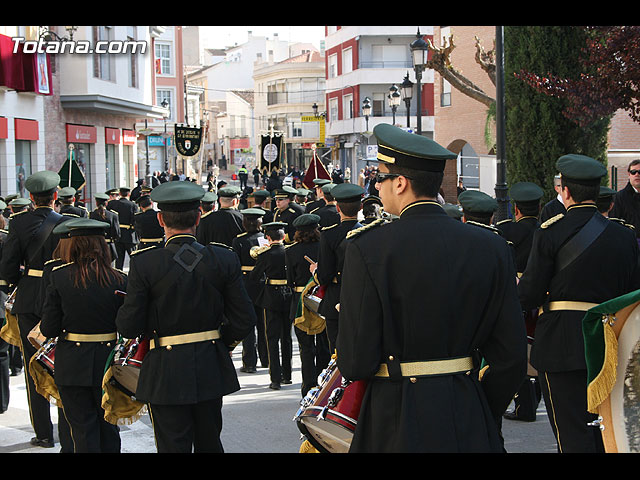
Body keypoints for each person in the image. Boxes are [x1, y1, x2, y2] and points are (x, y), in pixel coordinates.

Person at [336, 124, 527, 453]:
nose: (376, 188)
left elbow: (355, 362)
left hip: (394, 417)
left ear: (400, 182)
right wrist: (481, 407)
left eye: (379, 178)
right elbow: (510, 358)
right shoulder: (491, 246)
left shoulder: (367, 247)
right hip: (466, 409)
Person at [115, 180, 257, 453]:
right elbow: (244, 318)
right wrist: (219, 342)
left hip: (164, 369)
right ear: (199, 217)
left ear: (160, 219)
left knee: (172, 446)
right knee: (209, 443)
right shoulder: (223, 258)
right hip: (209, 362)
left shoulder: (145, 263)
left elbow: (129, 325)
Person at [518, 154, 640, 453]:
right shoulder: (624, 236)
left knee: (571, 432)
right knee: (609, 431)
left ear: (566, 192)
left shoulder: (549, 232)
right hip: (609, 343)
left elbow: (530, 296)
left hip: (560, 342)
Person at [39, 218, 126, 452]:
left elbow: (48, 328)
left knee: (81, 428)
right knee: (109, 426)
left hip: (72, 362)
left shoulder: (59, 276)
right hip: (108, 363)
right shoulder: (119, 278)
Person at [0, 170, 73, 449]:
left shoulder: (18, 223)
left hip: (30, 299)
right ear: (56, 196)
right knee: (62, 365)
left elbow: (7, 265)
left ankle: (43, 434)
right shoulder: (68, 222)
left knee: (34, 367)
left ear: (31, 198)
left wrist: (16, 284)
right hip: (63, 295)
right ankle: (67, 429)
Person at [495, 182, 544, 422]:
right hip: (542, 297)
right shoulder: (547, 230)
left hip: (515, 294)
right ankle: (534, 398)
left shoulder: (506, 230)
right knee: (536, 347)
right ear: (540, 207)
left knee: (519, 348)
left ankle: (525, 405)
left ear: (516, 209)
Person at [312, 183, 365, 355]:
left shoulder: (328, 235)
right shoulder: (369, 232)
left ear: (337, 208)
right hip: (363, 295)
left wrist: (315, 272)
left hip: (336, 294)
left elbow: (325, 275)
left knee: (336, 349)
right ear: (361, 207)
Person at [285, 213, 330, 397]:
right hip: (322, 299)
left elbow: (290, 282)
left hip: (300, 303)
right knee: (324, 346)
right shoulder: (324, 247)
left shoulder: (290, 251)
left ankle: (308, 388)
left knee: (306, 348)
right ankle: (323, 387)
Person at [248, 222, 292, 390]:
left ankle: (275, 378)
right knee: (286, 337)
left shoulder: (265, 254)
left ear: (267, 237)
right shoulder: (289, 251)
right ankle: (287, 375)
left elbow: (255, 276)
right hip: (287, 296)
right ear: (283, 236)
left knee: (272, 338)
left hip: (271, 297)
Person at [232, 207, 269, 373]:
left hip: (246, 282)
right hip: (262, 282)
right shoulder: (265, 240)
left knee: (248, 323)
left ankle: (249, 362)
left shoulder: (238, 241)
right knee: (263, 323)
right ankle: (266, 358)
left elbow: (235, 264)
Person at [609, 159, 640, 244]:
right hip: (630, 245)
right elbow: (614, 224)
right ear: (629, 174)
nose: (637, 174)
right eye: (633, 172)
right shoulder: (619, 198)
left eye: (639, 172)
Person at [109, 187, 139, 270]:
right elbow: (135, 221)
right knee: (134, 259)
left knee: (119, 261)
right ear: (129, 194)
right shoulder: (133, 205)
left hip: (118, 236)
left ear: (119, 194)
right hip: (129, 235)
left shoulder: (113, 204)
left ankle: (119, 278)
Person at [90, 193, 121, 265]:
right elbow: (117, 234)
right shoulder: (113, 215)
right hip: (109, 246)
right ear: (106, 203)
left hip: (96, 246)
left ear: (96, 203)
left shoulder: (91, 215)